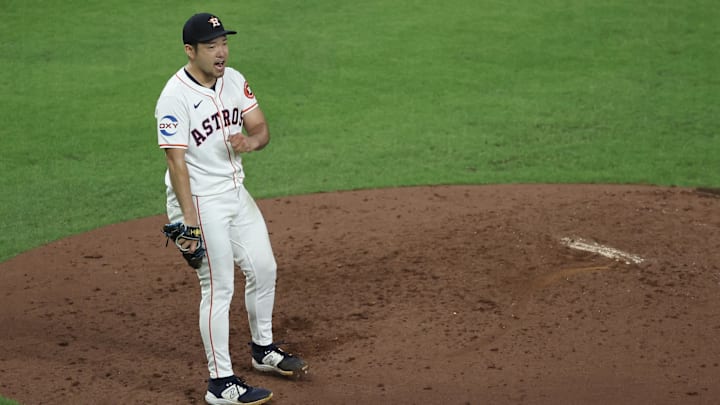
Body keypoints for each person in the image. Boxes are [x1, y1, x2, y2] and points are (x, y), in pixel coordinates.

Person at [155, 12, 308, 405]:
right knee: (218, 286)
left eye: (223, 43)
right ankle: (220, 383)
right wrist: (188, 220)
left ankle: (263, 350)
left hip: (234, 192)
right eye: (211, 46)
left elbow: (261, 128)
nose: (221, 52)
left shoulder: (235, 80)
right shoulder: (174, 97)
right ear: (191, 51)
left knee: (264, 267)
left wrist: (252, 143)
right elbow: (176, 162)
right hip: (199, 200)